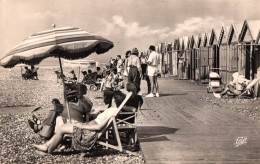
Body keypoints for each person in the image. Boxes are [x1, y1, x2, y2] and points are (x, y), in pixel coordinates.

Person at [31, 90, 129, 154]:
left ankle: (48, 151)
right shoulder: (112, 109)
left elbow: (98, 128)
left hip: (89, 132)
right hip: (89, 126)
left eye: (112, 98)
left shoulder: (112, 111)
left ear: (114, 100)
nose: (111, 99)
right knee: (64, 126)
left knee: (61, 129)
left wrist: (82, 126)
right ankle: (46, 146)